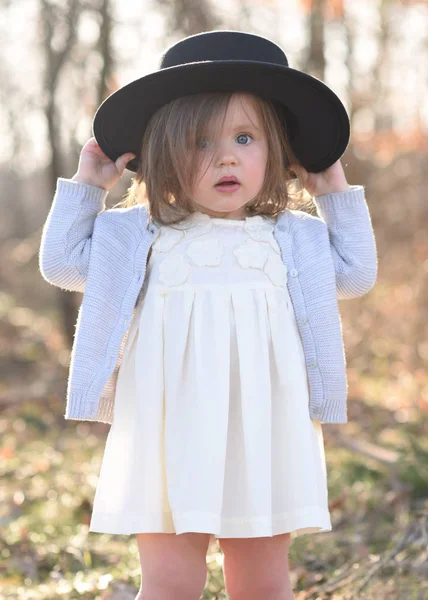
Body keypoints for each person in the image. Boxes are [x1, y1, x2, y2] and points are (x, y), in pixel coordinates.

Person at [39, 30, 377, 600]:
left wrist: (333, 190)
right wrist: (88, 185)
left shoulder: (293, 238)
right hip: (165, 428)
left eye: (245, 137)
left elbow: (355, 273)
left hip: (267, 428)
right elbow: (63, 264)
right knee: (170, 583)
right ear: (164, 155)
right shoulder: (139, 232)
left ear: (276, 153)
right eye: (199, 142)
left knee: (263, 583)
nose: (225, 156)